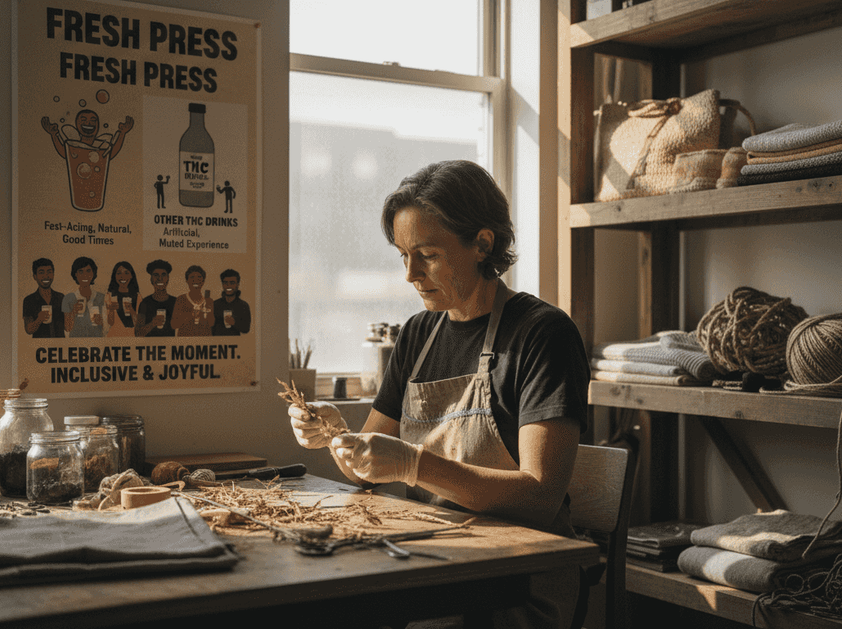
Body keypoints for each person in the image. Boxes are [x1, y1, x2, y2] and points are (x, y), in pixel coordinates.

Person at [287, 160, 590, 628]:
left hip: (516, 578)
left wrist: (414, 465)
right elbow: (366, 473)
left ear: (482, 244)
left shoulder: (541, 334)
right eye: (402, 255)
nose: (410, 273)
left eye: (427, 254)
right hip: (431, 558)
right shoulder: (417, 334)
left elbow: (540, 497)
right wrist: (332, 433)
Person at [62, 256, 106, 337]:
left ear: (93, 273)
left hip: (97, 344)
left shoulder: (102, 297)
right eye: (81, 272)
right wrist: (73, 312)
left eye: (88, 271)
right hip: (76, 345)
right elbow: (67, 328)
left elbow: (109, 328)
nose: (85, 275)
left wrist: (102, 322)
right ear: (76, 274)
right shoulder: (68, 298)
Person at [22, 257, 65, 338]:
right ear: (35, 276)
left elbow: (67, 328)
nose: (46, 276)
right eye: (41, 272)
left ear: (53, 274)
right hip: (40, 347)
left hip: (60, 346)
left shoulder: (61, 297)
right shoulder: (29, 300)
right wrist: (39, 319)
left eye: (49, 272)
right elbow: (28, 330)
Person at [136, 259, 176, 337]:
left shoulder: (177, 302)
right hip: (150, 347)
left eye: (163, 275)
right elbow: (138, 334)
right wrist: (152, 324)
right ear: (151, 279)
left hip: (171, 347)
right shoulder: (145, 303)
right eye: (156, 275)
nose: (160, 278)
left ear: (168, 278)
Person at [170, 264, 214, 336]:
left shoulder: (209, 301)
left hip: (204, 343)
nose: (195, 280)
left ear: (203, 281)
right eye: (192, 277)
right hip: (186, 343)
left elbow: (211, 323)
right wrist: (190, 315)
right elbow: (174, 325)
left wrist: (207, 307)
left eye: (199, 277)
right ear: (187, 281)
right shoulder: (181, 299)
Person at [105, 261, 140, 337]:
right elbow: (110, 323)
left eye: (126, 273)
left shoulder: (138, 296)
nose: (122, 276)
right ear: (114, 276)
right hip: (114, 336)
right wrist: (111, 310)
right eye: (119, 273)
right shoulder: (109, 296)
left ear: (131, 276)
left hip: (133, 337)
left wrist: (131, 309)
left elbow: (139, 324)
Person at [211, 269, 251, 336]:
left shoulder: (243, 305)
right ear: (222, 284)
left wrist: (234, 323)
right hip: (217, 344)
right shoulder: (215, 304)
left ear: (237, 285)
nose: (228, 285)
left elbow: (246, 329)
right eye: (225, 283)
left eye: (232, 283)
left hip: (235, 344)